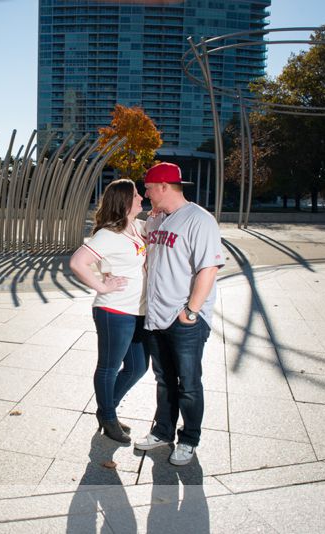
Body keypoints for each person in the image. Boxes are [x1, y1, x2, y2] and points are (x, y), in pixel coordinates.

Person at [134, 162, 224, 466]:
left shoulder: (200, 220)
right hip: (156, 316)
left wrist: (191, 311)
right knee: (164, 380)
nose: (145, 195)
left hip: (184, 319)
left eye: (147, 188)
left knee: (188, 383)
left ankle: (189, 440)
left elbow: (208, 268)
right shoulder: (155, 221)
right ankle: (162, 432)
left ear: (162, 187)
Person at [69, 179, 149, 444]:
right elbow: (78, 262)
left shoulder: (137, 227)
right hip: (113, 311)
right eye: (136, 195)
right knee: (109, 367)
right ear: (125, 201)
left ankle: (107, 411)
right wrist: (102, 285)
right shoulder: (108, 234)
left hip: (136, 311)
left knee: (137, 367)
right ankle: (109, 417)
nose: (141, 198)